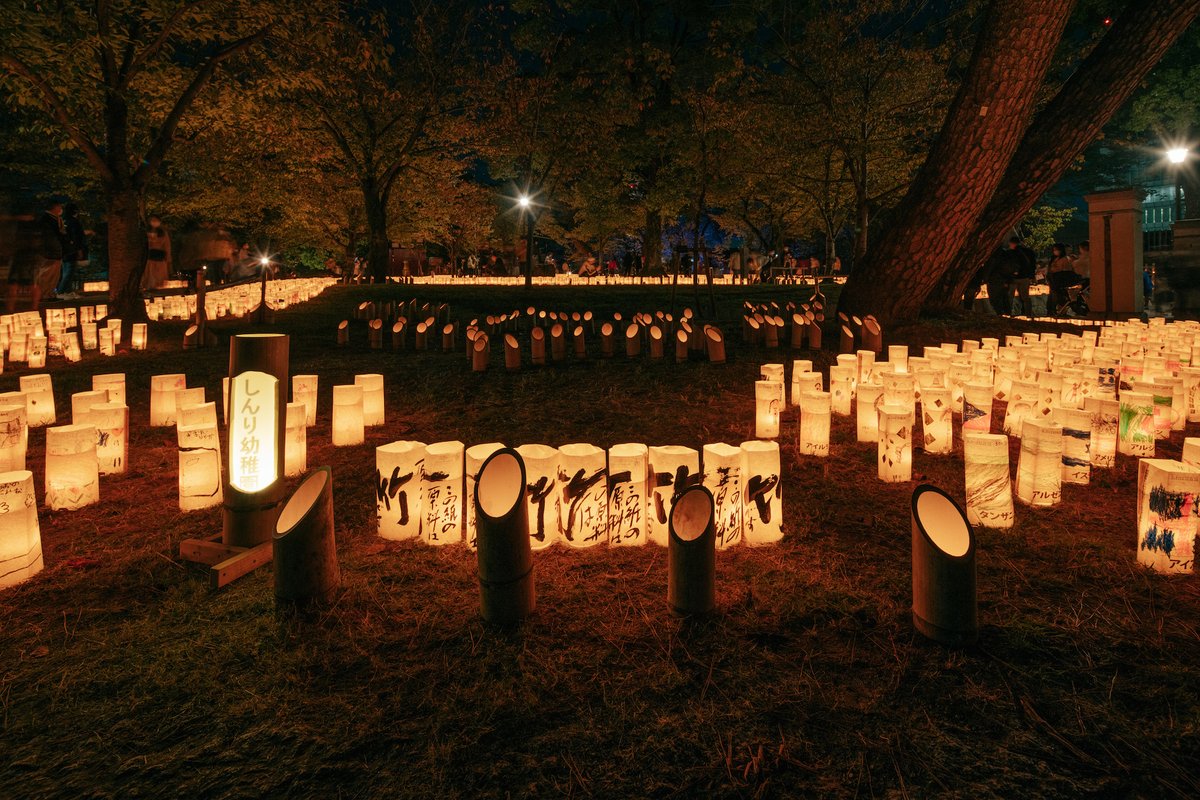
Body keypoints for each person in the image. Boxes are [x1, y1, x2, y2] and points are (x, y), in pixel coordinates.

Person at [5, 212, 41, 312]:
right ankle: (10, 309)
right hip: (18, 257)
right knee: (13, 284)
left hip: (30, 258)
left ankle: (34, 308)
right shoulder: (17, 226)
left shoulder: (34, 227)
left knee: (32, 284)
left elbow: (37, 241)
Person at [34, 200, 67, 304]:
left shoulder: (53, 219)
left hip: (52, 251)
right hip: (49, 252)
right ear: (55, 208)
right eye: (60, 207)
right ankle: (44, 295)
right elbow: (50, 237)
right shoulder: (48, 220)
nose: (61, 209)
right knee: (48, 273)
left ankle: (49, 294)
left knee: (53, 274)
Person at [56, 203, 86, 299]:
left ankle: (68, 292)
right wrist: (79, 249)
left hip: (64, 250)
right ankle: (61, 292)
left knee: (66, 271)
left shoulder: (63, 221)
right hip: (71, 250)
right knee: (69, 272)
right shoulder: (74, 222)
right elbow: (76, 237)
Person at [1005, 237, 1036, 316]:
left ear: (1011, 243)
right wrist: (1031, 276)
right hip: (1025, 277)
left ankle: (1008, 313)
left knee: (1010, 297)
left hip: (1013, 278)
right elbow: (1033, 265)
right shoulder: (1029, 252)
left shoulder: (1009, 253)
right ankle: (1028, 313)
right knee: (1025, 297)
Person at [1046, 242, 1078, 313]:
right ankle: (1051, 310)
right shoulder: (1054, 259)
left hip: (1059, 280)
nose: (1055, 251)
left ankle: (1058, 310)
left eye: (1056, 250)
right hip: (1053, 280)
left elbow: (1066, 270)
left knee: (1057, 295)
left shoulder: (1065, 259)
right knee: (1052, 295)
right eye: (1054, 250)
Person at [142, 215, 171, 290]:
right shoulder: (145, 232)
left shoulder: (163, 233)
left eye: (156, 220)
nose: (154, 222)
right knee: (149, 271)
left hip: (159, 256)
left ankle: (155, 287)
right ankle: (149, 286)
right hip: (149, 255)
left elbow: (167, 245)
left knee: (157, 273)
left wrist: (168, 258)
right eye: (152, 220)